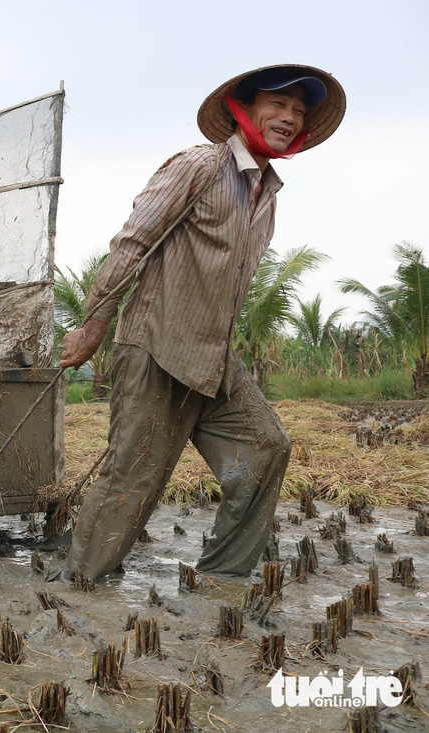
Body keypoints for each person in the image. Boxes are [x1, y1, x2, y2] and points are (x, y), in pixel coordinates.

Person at [52, 65, 346, 581]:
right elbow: (133, 242)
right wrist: (94, 324)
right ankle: (78, 587)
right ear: (246, 107)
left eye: (299, 111)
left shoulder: (267, 196)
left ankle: (220, 581)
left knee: (267, 446)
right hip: (155, 347)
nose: (289, 117)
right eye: (278, 104)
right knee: (134, 480)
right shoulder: (201, 165)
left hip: (213, 359)